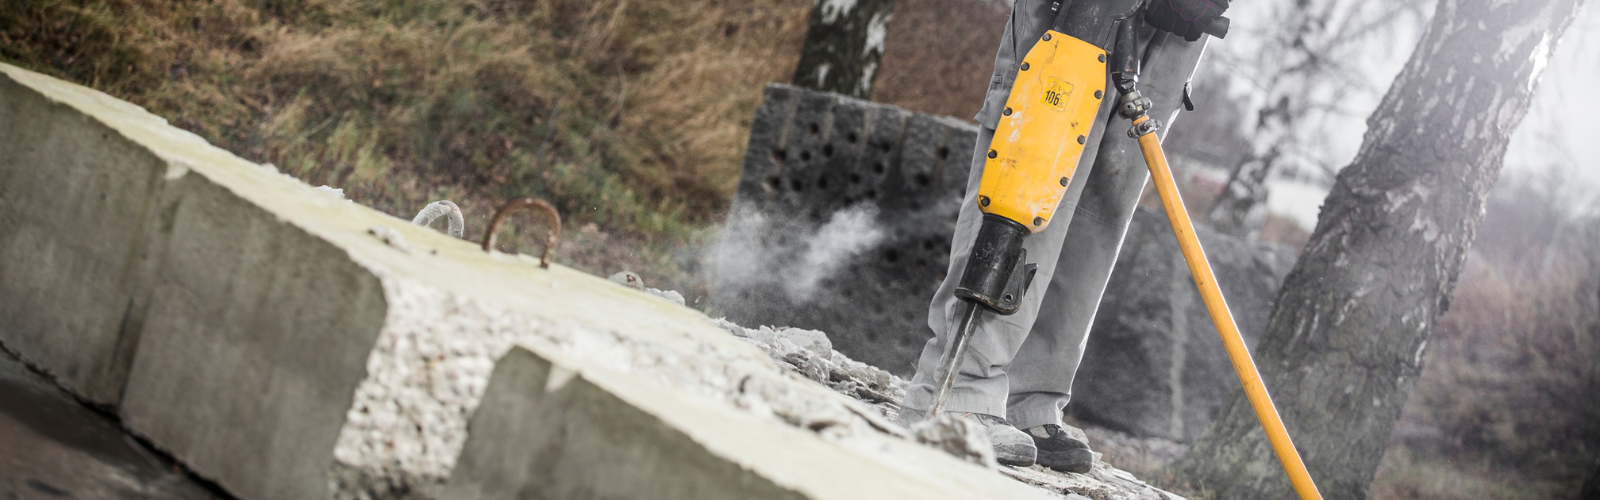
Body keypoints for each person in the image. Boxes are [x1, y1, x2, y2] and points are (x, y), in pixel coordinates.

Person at [895, 0, 1228, 471]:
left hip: (1176, 25)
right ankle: (957, 389)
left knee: (1103, 199)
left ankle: (1028, 398)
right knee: (1033, 171)